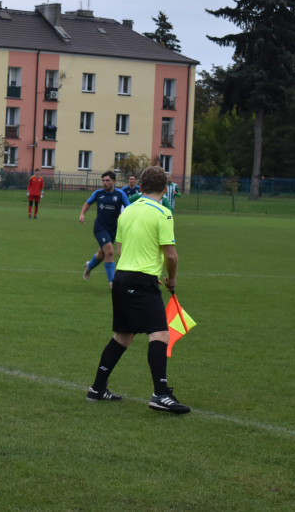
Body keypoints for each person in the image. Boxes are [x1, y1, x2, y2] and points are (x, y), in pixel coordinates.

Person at [85, 165, 190, 414]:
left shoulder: (127, 211)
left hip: (121, 278)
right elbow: (171, 256)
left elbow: (119, 249)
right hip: (143, 281)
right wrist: (172, 279)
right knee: (160, 334)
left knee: (123, 336)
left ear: (139, 187)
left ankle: (97, 389)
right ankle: (160, 394)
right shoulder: (163, 213)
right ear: (165, 189)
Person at [79, 170, 130, 287]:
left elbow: (129, 208)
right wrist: (82, 214)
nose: (104, 183)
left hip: (113, 229)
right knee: (110, 252)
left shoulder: (120, 194)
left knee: (101, 254)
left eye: (107, 180)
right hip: (100, 228)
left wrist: (123, 215)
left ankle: (89, 266)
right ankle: (112, 283)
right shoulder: (98, 193)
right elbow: (87, 203)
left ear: (114, 181)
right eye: (103, 180)